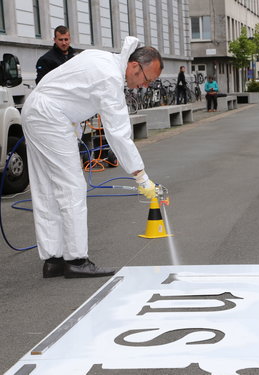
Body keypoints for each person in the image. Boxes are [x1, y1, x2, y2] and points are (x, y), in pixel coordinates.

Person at [21, 37, 163, 278]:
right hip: (49, 116)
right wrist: (141, 177)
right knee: (72, 187)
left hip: (36, 109)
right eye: (146, 80)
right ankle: (76, 260)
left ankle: (53, 259)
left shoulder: (102, 59)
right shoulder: (109, 78)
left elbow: (71, 91)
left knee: (45, 188)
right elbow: (118, 134)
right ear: (135, 66)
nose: (143, 87)